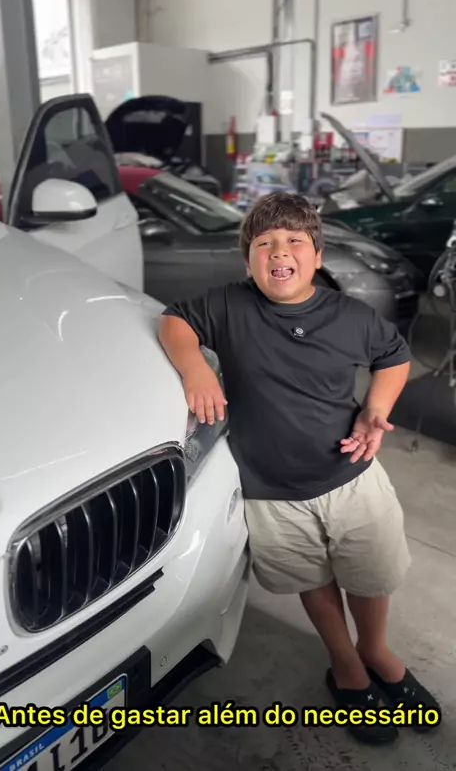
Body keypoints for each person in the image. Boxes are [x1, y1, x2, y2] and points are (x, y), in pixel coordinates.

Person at [158, 192, 440, 744]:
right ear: (248, 261)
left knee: (370, 572)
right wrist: (195, 367)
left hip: (352, 478)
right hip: (271, 494)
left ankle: (375, 650)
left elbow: (394, 356)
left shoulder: (350, 316)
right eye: (264, 243)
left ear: (317, 256)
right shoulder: (228, 306)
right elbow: (174, 321)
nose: (279, 251)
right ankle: (346, 664)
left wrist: (375, 408)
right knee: (312, 578)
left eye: (294, 241)